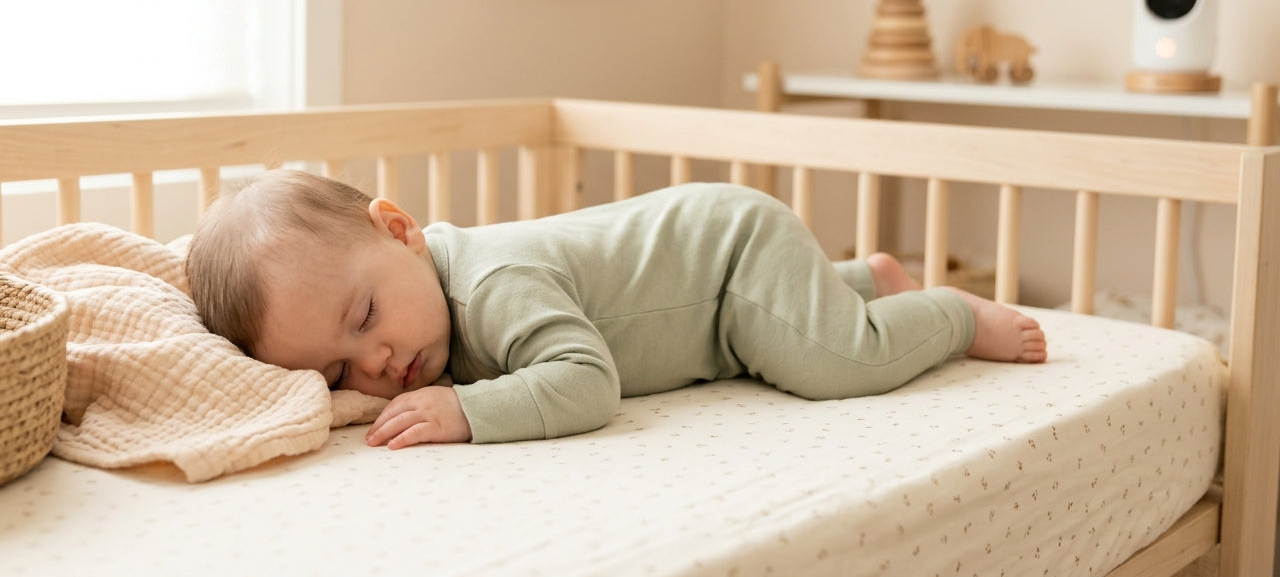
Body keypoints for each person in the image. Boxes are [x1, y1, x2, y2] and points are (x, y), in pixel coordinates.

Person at [187, 169, 1046, 451]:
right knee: (780, 330)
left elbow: (588, 382)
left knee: (832, 364)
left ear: (402, 230)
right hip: (713, 310)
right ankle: (860, 280)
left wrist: (467, 411)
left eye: (366, 315)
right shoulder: (424, 313)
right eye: (337, 370)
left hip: (727, 255)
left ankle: (948, 315)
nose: (372, 364)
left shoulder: (489, 286)